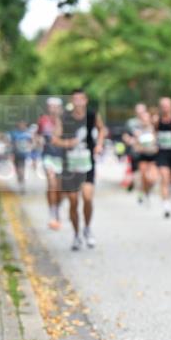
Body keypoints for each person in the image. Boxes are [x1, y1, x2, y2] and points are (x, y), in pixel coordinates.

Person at [53, 89, 107, 250]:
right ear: (72, 101)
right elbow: (55, 139)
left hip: (87, 162)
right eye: (75, 99)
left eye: (81, 99)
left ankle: (88, 229)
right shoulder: (64, 118)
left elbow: (102, 129)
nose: (78, 102)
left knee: (88, 197)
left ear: (86, 100)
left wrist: (99, 144)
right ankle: (76, 235)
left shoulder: (92, 115)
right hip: (70, 164)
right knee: (73, 201)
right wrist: (67, 143)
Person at [123, 103, 158, 206]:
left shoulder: (154, 127)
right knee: (141, 176)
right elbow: (128, 137)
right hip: (140, 155)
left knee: (152, 178)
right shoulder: (134, 125)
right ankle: (140, 191)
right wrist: (132, 142)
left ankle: (146, 191)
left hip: (153, 155)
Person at [38, 97, 64, 230]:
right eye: (51, 106)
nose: (53, 109)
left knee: (60, 189)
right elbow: (37, 135)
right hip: (48, 156)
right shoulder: (43, 120)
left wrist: (58, 119)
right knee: (52, 185)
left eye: (56, 106)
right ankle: (52, 215)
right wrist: (38, 141)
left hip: (62, 157)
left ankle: (57, 208)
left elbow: (59, 135)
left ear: (60, 108)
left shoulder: (65, 121)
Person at [9, 120, 34, 193]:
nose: (22, 126)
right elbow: (11, 143)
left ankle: (22, 185)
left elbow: (31, 142)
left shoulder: (28, 134)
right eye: (21, 125)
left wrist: (30, 148)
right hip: (16, 153)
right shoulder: (14, 133)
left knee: (22, 169)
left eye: (24, 125)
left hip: (23, 154)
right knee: (17, 168)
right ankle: (20, 179)